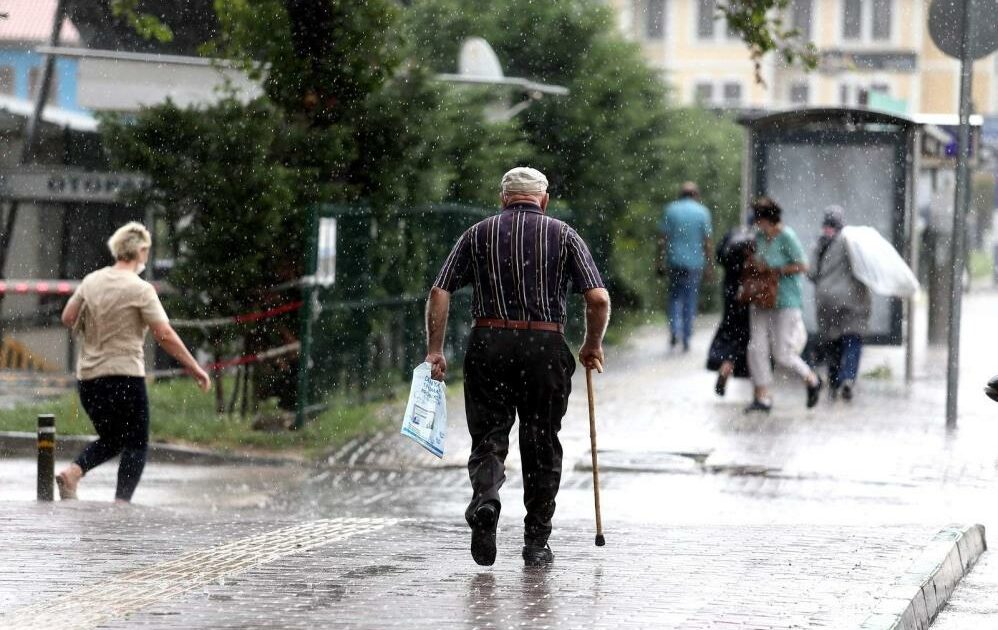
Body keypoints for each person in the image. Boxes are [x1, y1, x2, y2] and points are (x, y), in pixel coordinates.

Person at [425, 167, 610, 568]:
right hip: (544, 347)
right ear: (543, 199)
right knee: (541, 441)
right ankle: (536, 542)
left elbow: (440, 290)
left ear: (503, 198)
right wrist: (591, 343)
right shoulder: (564, 235)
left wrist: (435, 349)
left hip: (489, 343)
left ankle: (487, 499)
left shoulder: (477, 234)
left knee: (489, 435)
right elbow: (597, 299)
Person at [55, 222, 211, 503]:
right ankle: (121, 504)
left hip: (89, 378)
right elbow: (163, 333)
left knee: (113, 438)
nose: (147, 256)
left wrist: (92, 332)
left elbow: (68, 317)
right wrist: (194, 367)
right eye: (147, 251)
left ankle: (73, 473)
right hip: (125, 375)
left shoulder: (92, 281)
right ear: (140, 250)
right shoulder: (141, 289)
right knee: (136, 442)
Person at [744, 197, 822, 412]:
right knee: (756, 346)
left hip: (785, 299)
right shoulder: (758, 238)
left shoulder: (787, 237)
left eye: (760, 220)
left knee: (782, 353)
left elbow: (803, 265)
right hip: (761, 298)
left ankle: (811, 379)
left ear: (769, 220)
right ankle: (763, 395)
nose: (757, 225)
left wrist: (778, 270)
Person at [808, 206, 871, 401]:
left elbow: (811, 273)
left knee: (832, 341)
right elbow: (864, 267)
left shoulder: (818, 245)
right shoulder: (850, 242)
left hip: (826, 300)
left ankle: (834, 380)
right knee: (852, 339)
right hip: (852, 299)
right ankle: (848, 378)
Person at [658, 182, 713, 352]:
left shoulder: (671, 210)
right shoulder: (702, 212)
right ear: (696, 194)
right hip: (694, 263)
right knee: (690, 299)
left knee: (674, 298)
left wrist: (659, 261)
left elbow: (662, 238)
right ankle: (687, 336)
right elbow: (707, 241)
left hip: (674, 261)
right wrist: (710, 265)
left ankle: (675, 330)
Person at [706, 217, 755, 396]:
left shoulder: (733, 234)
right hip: (749, 292)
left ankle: (725, 365)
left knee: (730, 329)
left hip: (730, 290)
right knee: (746, 335)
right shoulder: (757, 239)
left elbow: (719, 256)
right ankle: (752, 380)